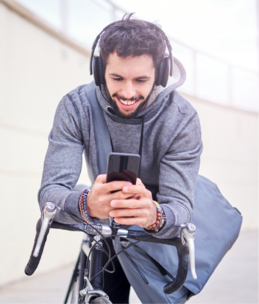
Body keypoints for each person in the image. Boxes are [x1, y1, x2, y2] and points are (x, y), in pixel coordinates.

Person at [38, 13, 202, 304]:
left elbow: (180, 208)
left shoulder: (181, 119)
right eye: (117, 78)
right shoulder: (76, 108)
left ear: (161, 74)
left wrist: (154, 215)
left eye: (141, 80)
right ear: (100, 70)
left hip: (158, 232)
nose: (128, 93)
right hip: (105, 226)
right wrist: (86, 203)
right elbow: (50, 193)